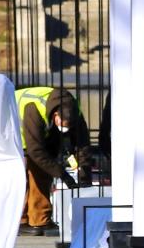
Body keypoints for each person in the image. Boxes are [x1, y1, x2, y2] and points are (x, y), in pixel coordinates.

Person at [16, 86, 92, 236]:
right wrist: (62, 174)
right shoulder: (34, 107)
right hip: (13, 132)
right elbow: (35, 151)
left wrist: (84, 175)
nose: (64, 129)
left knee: (43, 170)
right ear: (55, 115)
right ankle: (37, 220)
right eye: (62, 125)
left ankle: (29, 220)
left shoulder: (75, 112)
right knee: (36, 171)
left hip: (43, 134)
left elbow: (82, 145)